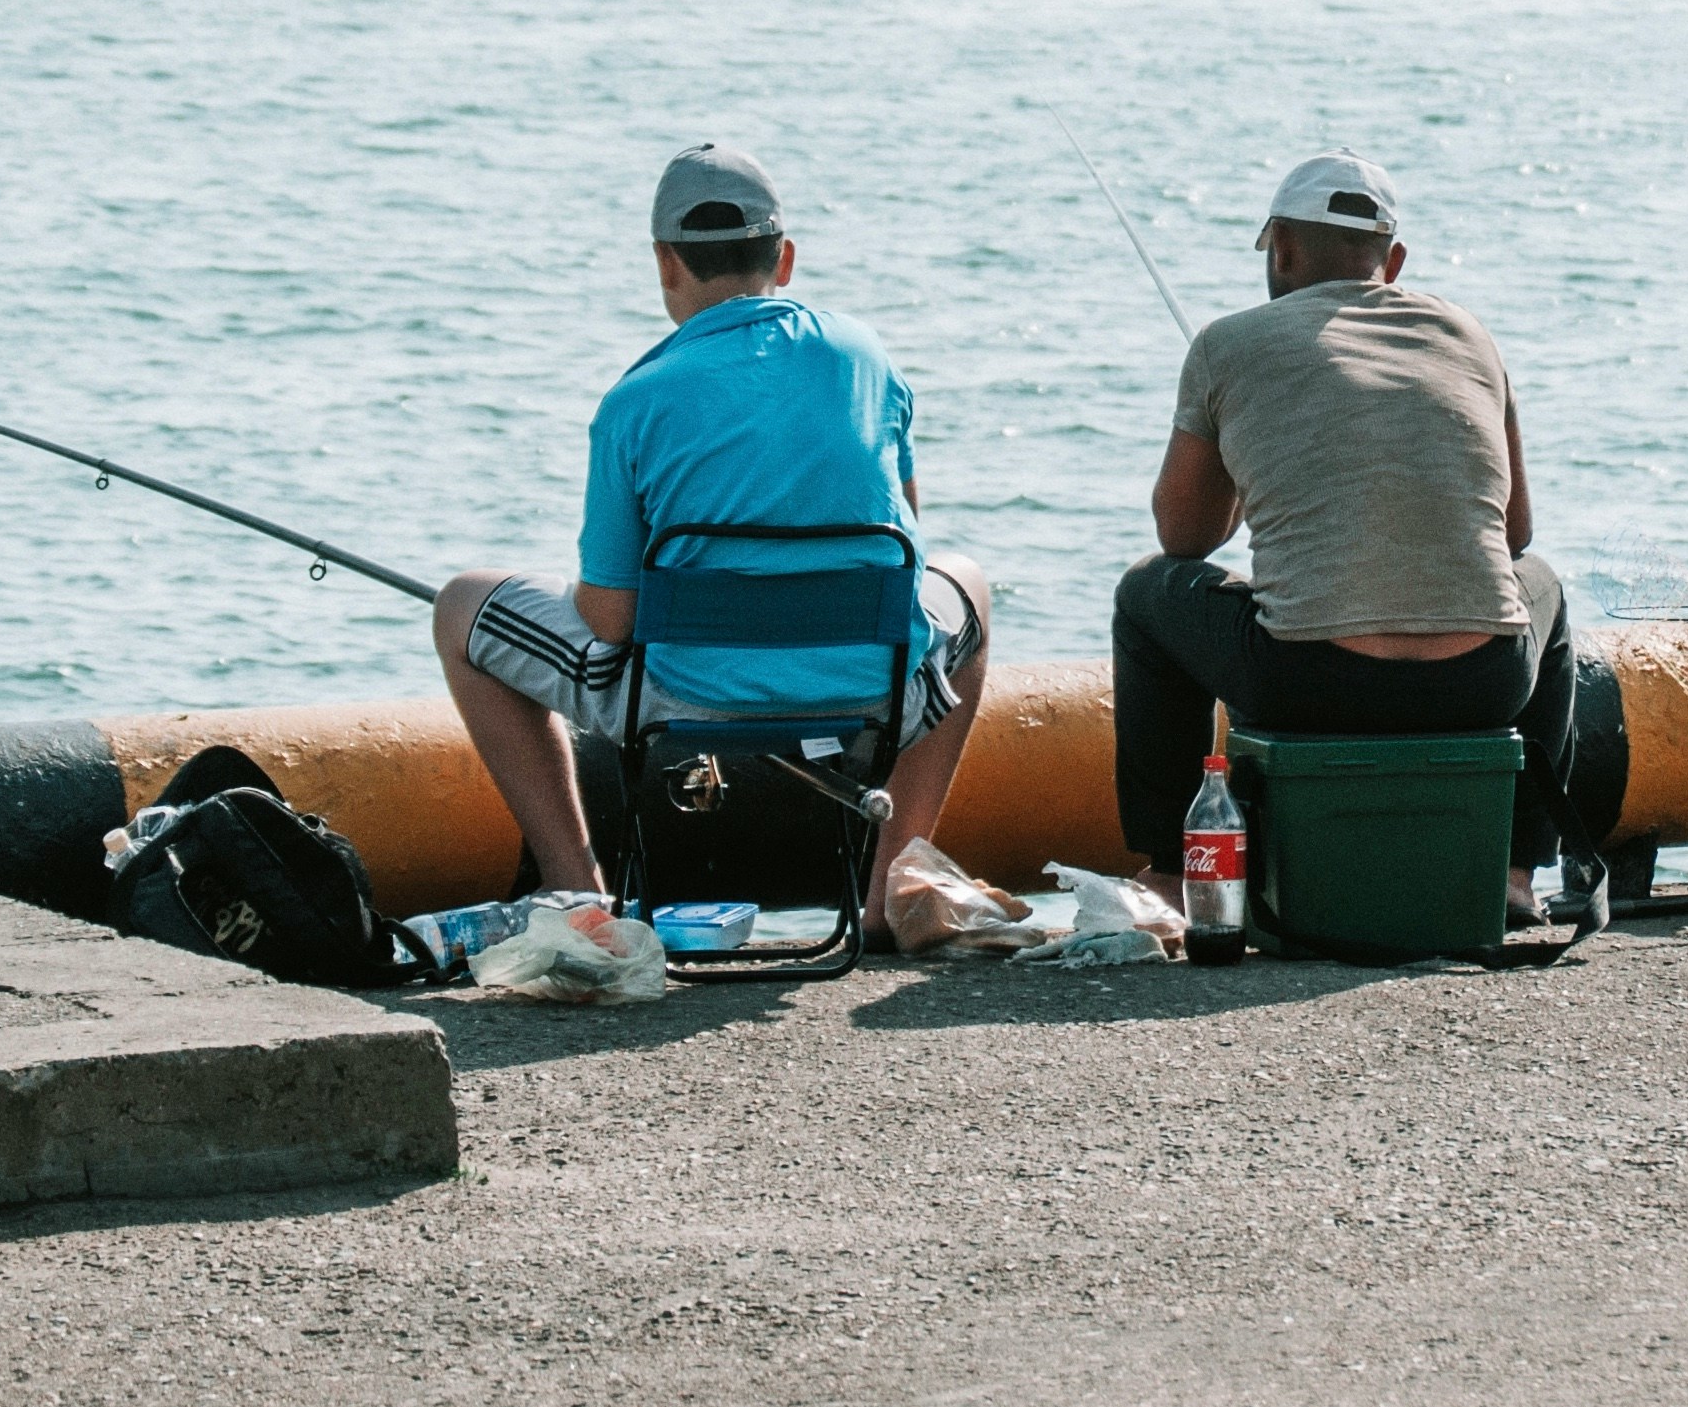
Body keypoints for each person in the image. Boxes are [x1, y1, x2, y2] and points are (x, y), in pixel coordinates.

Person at [432, 144, 991, 915]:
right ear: (785, 258)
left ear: (666, 264)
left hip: (689, 695)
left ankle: (579, 891)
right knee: (971, 588)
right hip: (873, 686)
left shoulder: (635, 400)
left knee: (462, 604)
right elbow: (909, 544)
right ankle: (891, 887)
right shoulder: (868, 359)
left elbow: (610, 618)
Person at [1112, 151, 1591, 931]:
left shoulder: (1225, 344)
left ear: (1282, 248)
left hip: (1310, 677)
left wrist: (1239, 472)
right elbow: (1515, 533)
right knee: (1545, 584)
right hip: (1481, 678)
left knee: (1144, 592)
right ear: (1392, 261)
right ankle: (1512, 871)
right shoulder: (1468, 333)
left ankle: (1173, 872)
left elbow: (1184, 537)